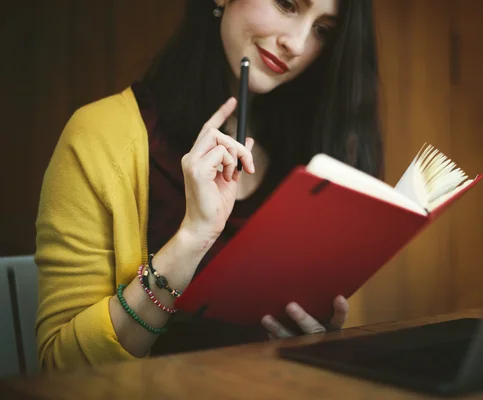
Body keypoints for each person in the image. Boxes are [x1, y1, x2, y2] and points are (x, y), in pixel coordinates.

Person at [34, 0, 383, 371]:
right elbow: (62, 367)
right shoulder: (101, 137)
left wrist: (316, 343)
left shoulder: (313, 157)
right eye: (287, 4)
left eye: (323, 31)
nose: (296, 44)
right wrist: (192, 238)